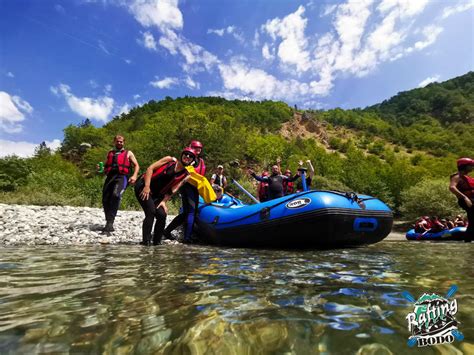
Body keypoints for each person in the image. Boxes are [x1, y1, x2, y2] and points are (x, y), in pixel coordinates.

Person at [134, 147, 195, 245]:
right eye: (186, 154)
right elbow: (150, 168)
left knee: (162, 215)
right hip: (143, 186)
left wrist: (163, 201)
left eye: (190, 156)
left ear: (192, 160)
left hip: (157, 195)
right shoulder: (169, 160)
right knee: (151, 212)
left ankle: (157, 243)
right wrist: (147, 186)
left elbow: (173, 190)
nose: (187, 157)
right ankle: (146, 242)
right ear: (182, 155)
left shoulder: (186, 175)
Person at [164, 140, 206, 242]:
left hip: (194, 188)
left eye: (199, 148)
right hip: (187, 187)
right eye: (196, 148)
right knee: (191, 212)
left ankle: (166, 231)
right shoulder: (190, 160)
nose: (198, 150)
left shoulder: (200, 161)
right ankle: (187, 238)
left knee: (187, 213)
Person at [99, 135, 139, 232]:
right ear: (114, 142)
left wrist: (134, 176)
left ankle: (110, 222)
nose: (119, 143)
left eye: (121, 142)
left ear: (123, 143)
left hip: (122, 177)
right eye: (118, 141)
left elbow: (137, 165)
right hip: (110, 177)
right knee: (105, 199)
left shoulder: (128, 153)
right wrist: (100, 169)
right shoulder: (110, 153)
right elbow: (106, 167)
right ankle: (108, 221)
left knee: (116, 195)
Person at [449, 157, 474, 241]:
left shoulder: (467, 178)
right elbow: (452, 187)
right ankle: (467, 241)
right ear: (464, 166)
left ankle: (468, 241)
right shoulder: (457, 176)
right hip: (467, 201)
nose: (472, 167)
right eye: (470, 166)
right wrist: (465, 197)